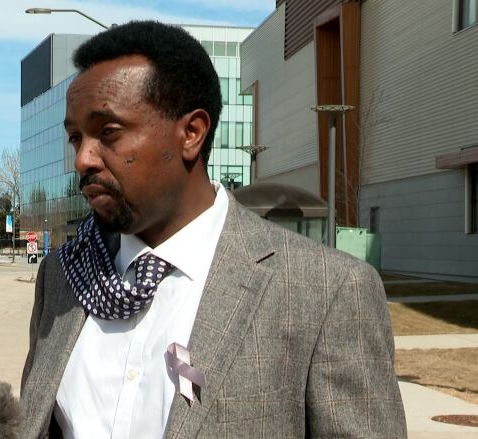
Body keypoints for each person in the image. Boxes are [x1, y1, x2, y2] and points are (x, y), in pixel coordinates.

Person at [20, 21, 406, 438]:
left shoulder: (325, 292)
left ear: (192, 133)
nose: (83, 159)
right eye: (76, 138)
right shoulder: (62, 278)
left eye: (107, 132)